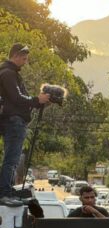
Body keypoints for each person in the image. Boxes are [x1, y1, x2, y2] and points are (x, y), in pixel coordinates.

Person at [0, 43, 51, 206]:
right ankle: (4, 192)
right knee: (12, 159)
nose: (25, 61)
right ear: (15, 55)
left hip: (12, 120)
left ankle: (7, 190)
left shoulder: (9, 72)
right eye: (24, 57)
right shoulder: (8, 73)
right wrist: (37, 100)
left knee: (12, 159)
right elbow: (17, 98)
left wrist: (38, 102)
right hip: (14, 121)